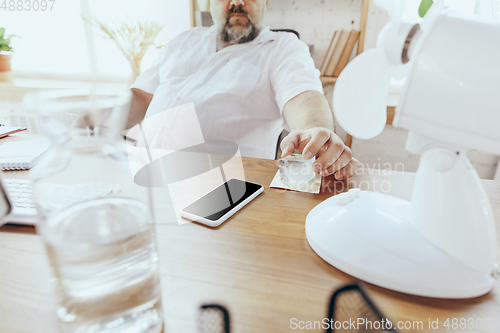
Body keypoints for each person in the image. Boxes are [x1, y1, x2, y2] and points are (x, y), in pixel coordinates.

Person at [128, 0, 359, 180]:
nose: (237, 2)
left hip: (219, 192)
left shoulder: (282, 47)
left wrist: (314, 131)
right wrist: (97, 112)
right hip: (138, 173)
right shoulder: (183, 40)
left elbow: (303, 96)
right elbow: (140, 97)